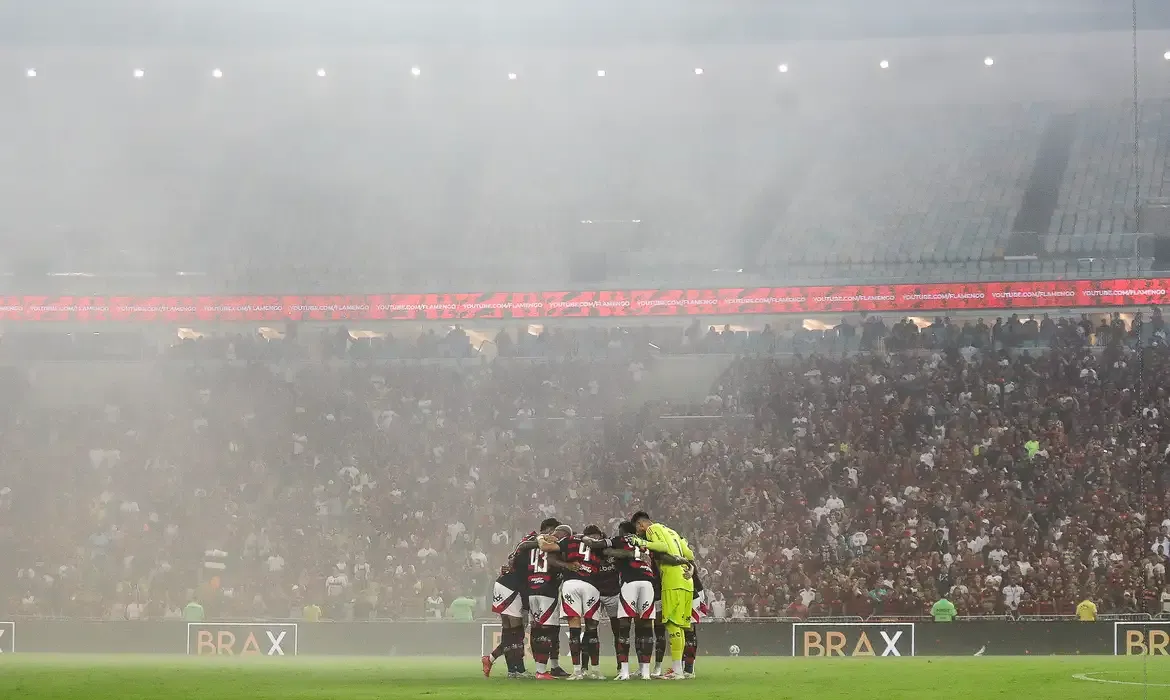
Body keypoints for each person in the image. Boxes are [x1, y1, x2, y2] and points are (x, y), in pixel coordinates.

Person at [483, 518, 561, 679]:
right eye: (553, 532)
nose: (554, 536)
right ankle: (516, 669)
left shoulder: (541, 547)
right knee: (516, 631)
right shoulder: (534, 541)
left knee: (511, 631)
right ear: (547, 530)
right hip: (511, 586)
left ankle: (510, 668)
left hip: (508, 585)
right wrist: (539, 540)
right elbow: (520, 549)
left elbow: (515, 557)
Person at [630, 511, 695, 680]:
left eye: (637, 529)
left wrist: (641, 542)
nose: (638, 532)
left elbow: (662, 547)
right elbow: (690, 554)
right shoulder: (673, 532)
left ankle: (677, 672)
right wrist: (689, 566)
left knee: (672, 625)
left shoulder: (653, 529)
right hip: (686, 580)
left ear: (641, 524)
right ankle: (679, 669)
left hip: (673, 580)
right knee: (680, 626)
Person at [539, 523, 605, 680]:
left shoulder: (568, 540)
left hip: (571, 584)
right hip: (591, 585)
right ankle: (596, 671)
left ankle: (576, 671)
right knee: (592, 628)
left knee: (574, 628)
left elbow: (546, 550)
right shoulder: (598, 542)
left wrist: (541, 537)